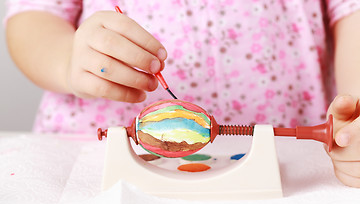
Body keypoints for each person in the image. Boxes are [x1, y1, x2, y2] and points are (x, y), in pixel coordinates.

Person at [4, 0, 360, 187]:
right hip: (94, 167)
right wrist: (68, 60)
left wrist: (354, 118)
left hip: (288, 171)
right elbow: (33, 16)